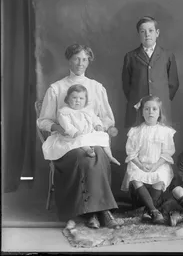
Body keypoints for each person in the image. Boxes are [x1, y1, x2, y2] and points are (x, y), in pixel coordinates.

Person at [37, 43, 121, 230]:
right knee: (81, 157)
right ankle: (95, 211)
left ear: (89, 61)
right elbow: (43, 121)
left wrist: (100, 127)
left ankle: (98, 211)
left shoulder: (96, 87)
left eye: (84, 59)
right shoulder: (56, 88)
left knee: (99, 155)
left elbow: (108, 119)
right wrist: (60, 128)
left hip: (90, 137)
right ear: (69, 60)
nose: (80, 63)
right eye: (76, 58)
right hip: (66, 140)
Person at [120, 95, 176, 224]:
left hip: (158, 163)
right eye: (147, 109)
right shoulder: (135, 131)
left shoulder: (165, 131)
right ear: (142, 112)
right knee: (134, 175)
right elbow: (131, 153)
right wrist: (140, 165)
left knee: (160, 175)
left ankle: (147, 210)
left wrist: (156, 165)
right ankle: (154, 211)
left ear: (159, 112)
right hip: (139, 164)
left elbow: (167, 153)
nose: (150, 112)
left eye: (154, 109)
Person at [122, 16, 179, 128]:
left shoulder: (167, 55)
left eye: (151, 31)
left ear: (157, 33)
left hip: (160, 107)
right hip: (139, 107)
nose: (147, 34)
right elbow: (126, 85)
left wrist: (162, 100)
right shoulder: (130, 56)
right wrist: (137, 98)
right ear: (139, 34)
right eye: (143, 31)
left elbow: (173, 84)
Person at [41, 84, 120, 166]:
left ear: (85, 100)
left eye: (81, 98)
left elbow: (95, 119)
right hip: (72, 136)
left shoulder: (88, 111)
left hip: (88, 133)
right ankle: (88, 150)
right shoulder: (64, 112)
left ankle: (110, 156)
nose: (77, 100)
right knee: (80, 139)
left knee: (103, 136)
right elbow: (67, 125)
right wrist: (74, 132)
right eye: (74, 98)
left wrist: (98, 125)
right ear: (67, 99)